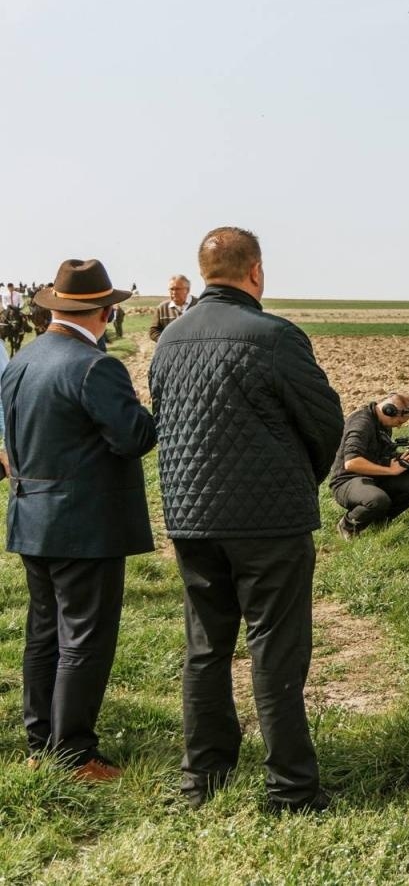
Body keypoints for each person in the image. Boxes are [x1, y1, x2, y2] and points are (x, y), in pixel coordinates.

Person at [148, 227, 344, 812]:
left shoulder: (170, 339)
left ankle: (201, 776)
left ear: (203, 272)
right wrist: (295, 479)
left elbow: (166, 418)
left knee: (205, 647)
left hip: (191, 519)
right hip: (269, 525)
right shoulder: (275, 337)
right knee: (275, 649)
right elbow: (325, 423)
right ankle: (290, 786)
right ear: (255, 272)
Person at [1, 259, 155, 781]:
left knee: (43, 634)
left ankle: (39, 741)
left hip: (31, 515)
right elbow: (132, 437)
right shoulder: (95, 366)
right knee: (84, 639)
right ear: (106, 312)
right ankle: (75, 754)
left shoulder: (22, 361)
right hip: (85, 524)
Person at [329, 392, 409, 538]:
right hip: (347, 481)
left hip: (373, 477)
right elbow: (352, 463)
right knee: (377, 500)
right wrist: (390, 470)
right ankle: (348, 526)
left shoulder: (383, 425)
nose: (400, 425)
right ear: (389, 411)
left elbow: (379, 455)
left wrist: (402, 460)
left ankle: (379, 521)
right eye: (400, 421)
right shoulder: (362, 423)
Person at [148, 274, 196, 341]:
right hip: (171, 350)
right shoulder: (162, 308)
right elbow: (153, 331)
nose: (174, 292)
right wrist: (166, 342)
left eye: (178, 289)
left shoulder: (199, 305)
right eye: (171, 289)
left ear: (187, 290)